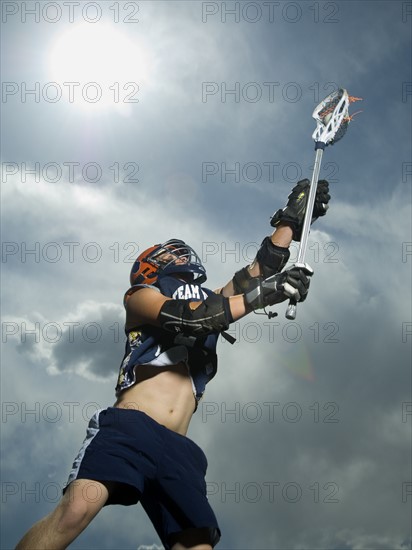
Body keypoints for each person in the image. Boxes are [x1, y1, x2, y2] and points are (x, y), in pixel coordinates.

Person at [16, 179, 330, 550]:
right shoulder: (139, 297)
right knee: (75, 512)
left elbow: (260, 270)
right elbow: (192, 317)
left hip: (179, 447)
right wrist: (265, 295)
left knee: (197, 546)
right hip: (130, 427)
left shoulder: (214, 299)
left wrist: (293, 221)